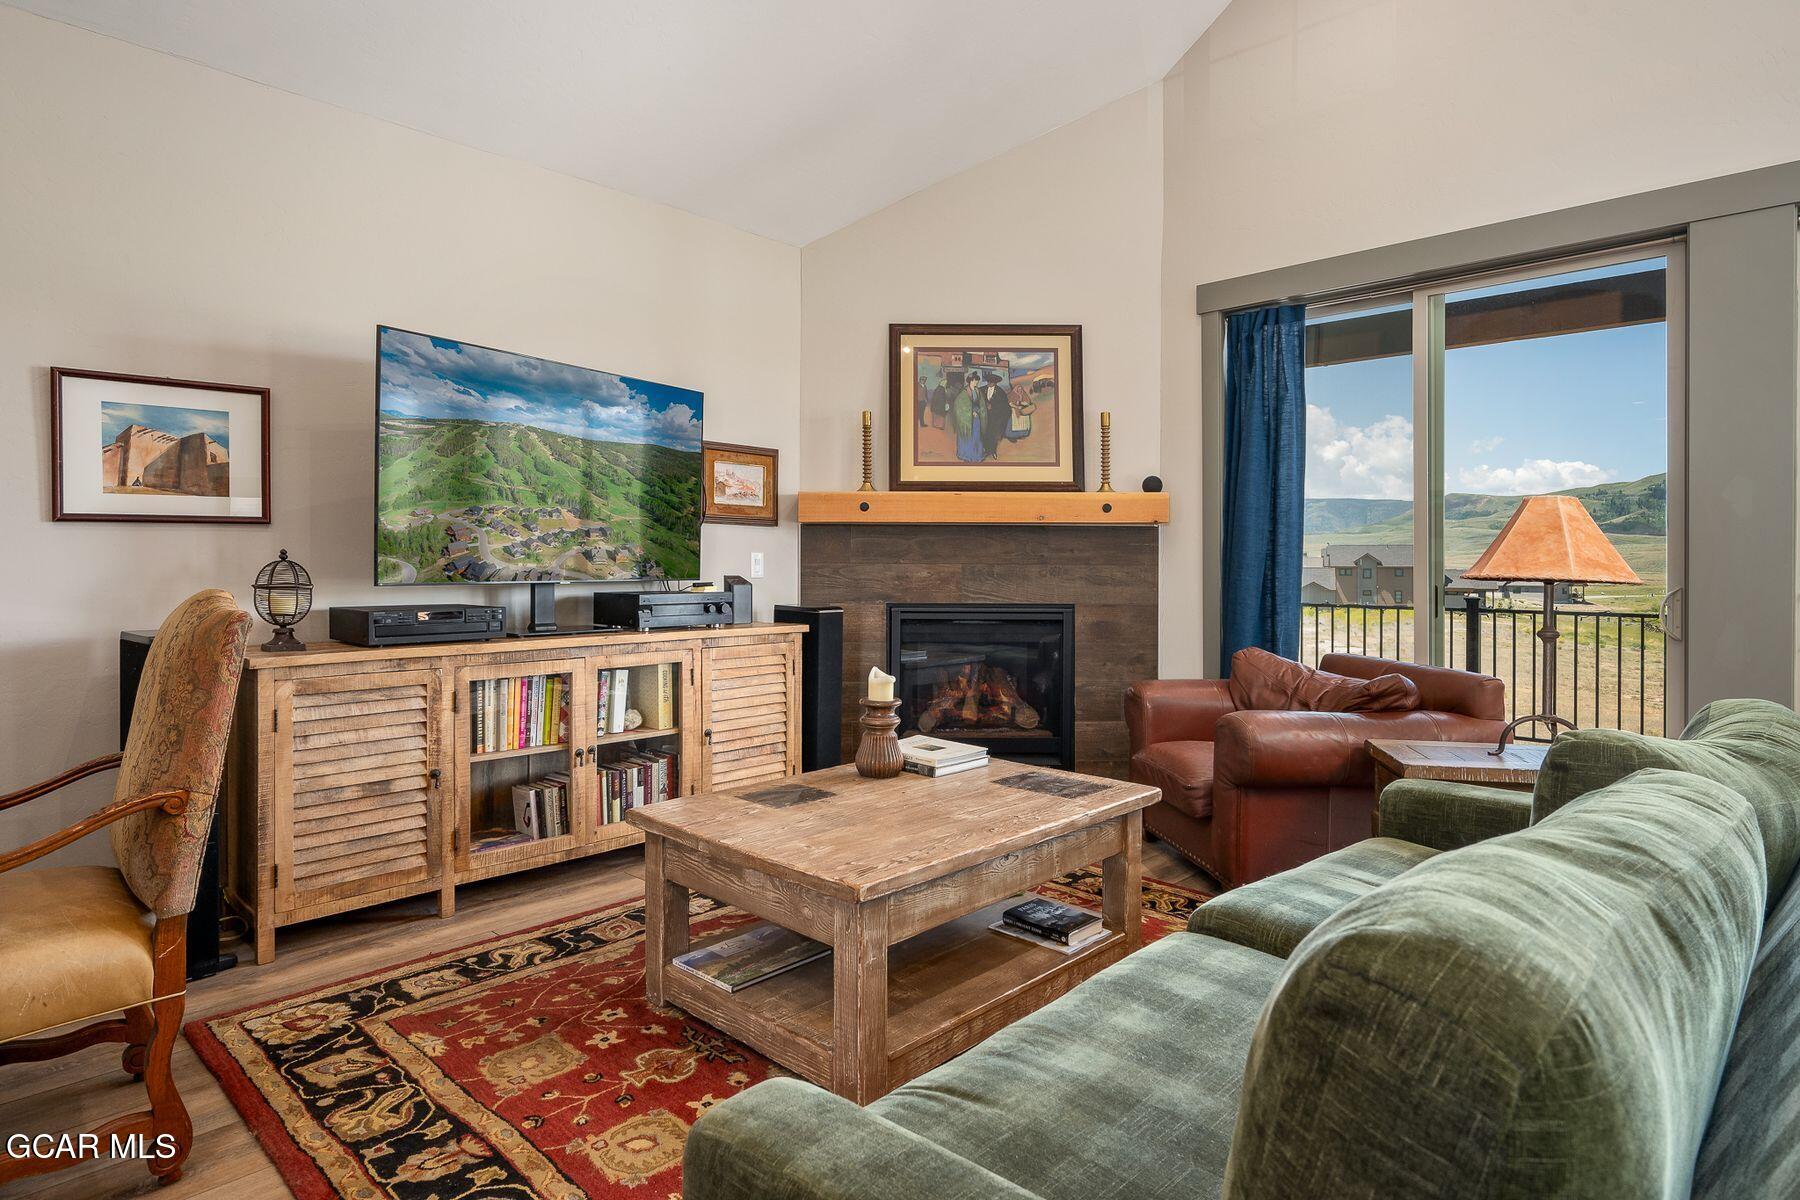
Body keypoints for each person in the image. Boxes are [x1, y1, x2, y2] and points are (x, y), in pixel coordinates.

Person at [952, 376, 984, 462]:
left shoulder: (978, 391)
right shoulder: (964, 392)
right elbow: (959, 406)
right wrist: (971, 412)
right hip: (967, 418)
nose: (976, 382)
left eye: (977, 380)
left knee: (976, 435)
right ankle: (966, 455)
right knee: (967, 435)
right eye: (975, 380)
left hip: (977, 417)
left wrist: (980, 410)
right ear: (970, 381)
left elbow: (980, 403)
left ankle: (976, 455)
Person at [979, 371, 1010, 459]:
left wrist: (993, 406)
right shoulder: (981, 390)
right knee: (983, 433)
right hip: (983, 416)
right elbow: (977, 401)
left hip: (995, 418)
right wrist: (985, 405)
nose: (989, 383)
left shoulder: (1000, 392)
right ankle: (986, 450)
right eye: (988, 381)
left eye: (991, 382)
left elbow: (1004, 406)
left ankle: (993, 451)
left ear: (995, 382)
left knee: (993, 435)